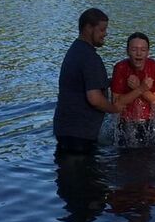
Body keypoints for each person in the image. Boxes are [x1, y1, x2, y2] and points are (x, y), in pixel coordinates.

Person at [53, 8, 123, 154]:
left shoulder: (76, 50)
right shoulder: (90, 58)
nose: (105, 34)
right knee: (84, 175)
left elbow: (86, 84)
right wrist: (114, 109)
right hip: (79, 134)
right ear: (88, 28)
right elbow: (94, 98)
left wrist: (118, 81)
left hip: (65, 130)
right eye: (102, 29)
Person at [111, 32, 155, 146]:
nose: (139, 53)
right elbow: (116, 103)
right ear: (127, 51)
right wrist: (140, 89)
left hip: (151, 123)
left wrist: (140, 89)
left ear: (148, 52)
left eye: (143, 50)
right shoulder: (120, 68)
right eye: (134, 49)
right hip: (126, 122)